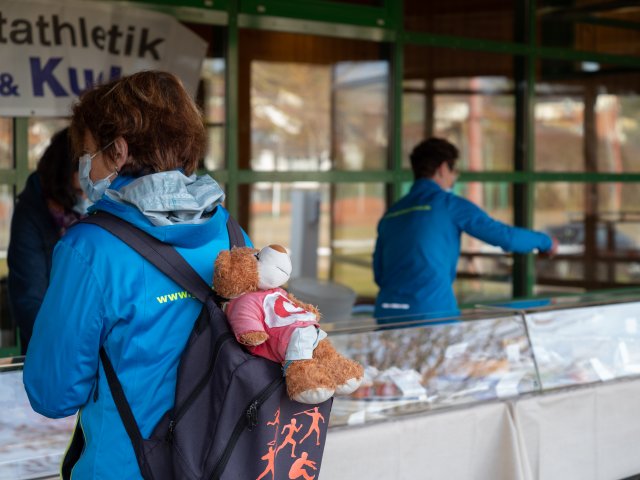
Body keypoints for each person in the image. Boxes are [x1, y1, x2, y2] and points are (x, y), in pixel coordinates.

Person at [23, 71, 250, 479]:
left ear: (118, 151)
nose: (84, 167)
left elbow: (53, 394)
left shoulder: (90, 248)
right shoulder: (233, 234)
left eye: (88, 152)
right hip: (218, 464)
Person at [373, 137, 557, 324]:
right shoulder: (448, 204)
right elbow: (505, 237)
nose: (455, 177)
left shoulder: (391, 213)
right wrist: (546, 242)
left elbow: (379, 272)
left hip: (386, 312)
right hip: (431, 314)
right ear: (443, 168)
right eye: (454, 170)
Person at [7, 127, 89, 354]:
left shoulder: (93, 215)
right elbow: (29, 300)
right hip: (51, 350)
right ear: (62, 179)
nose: (85, 198)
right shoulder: (31, 215)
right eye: (78, 191)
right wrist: (64, 351)